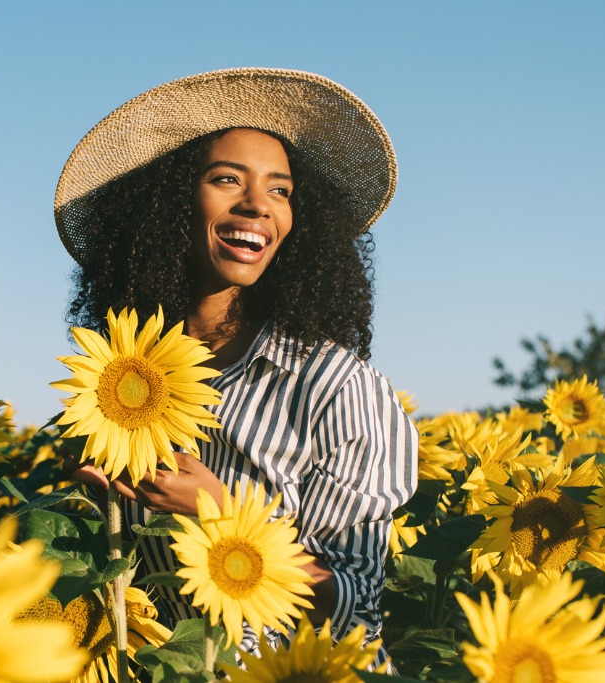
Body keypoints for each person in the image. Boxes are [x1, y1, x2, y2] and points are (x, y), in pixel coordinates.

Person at [54, 68, 418, 667]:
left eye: (281, 190)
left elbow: (357, 605)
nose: (256, 204)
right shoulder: (117, 380)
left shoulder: (332, 386)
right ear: (168, 204)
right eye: (227, 179)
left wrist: (221, 515)